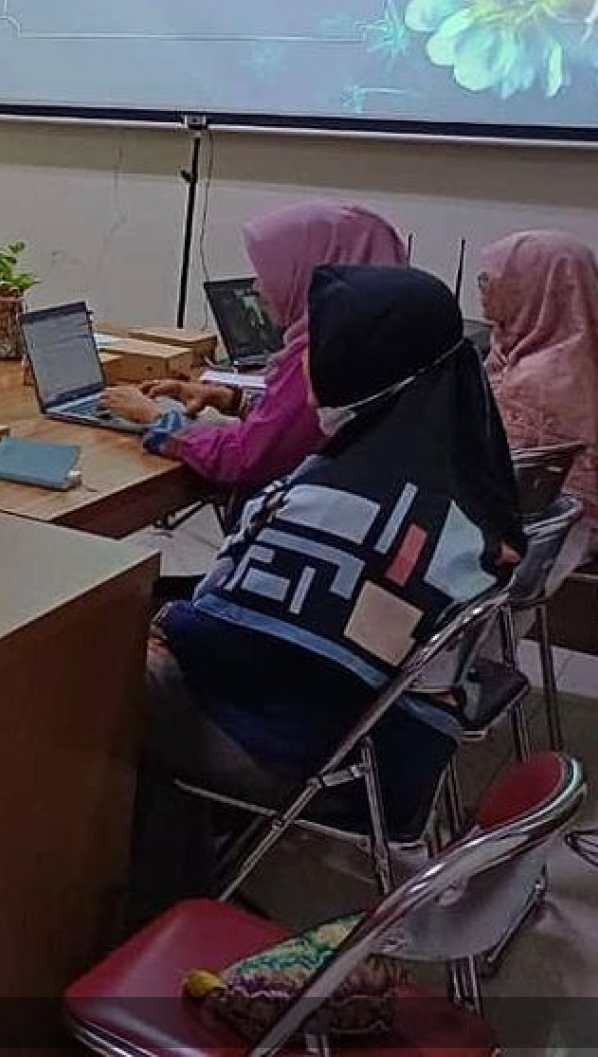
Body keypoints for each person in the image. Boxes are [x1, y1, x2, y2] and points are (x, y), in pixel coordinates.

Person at [130, 264, 520, 921]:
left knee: (80, 663)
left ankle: (147, 889)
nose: (298, 363)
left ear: (360, 365)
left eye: (314, 349)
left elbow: (221, 644)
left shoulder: (333, 505)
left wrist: (157, 620)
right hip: (388, 738)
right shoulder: (452, 473)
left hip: (311, 757)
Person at [102, 201, 406, 496]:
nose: (259, 287)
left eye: (270, 272)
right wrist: (231, 399)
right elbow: (297, 431)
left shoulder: (324, 359)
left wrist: (156, 419)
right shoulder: (383, 340)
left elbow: (243, 460)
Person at [479, 230, 598, 578]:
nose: (483, 289)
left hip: (546, 533)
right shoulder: (578, 352)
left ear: (531, 288)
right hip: (563, 518)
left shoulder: (540, 379)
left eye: (491, 279)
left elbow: (496, 473)